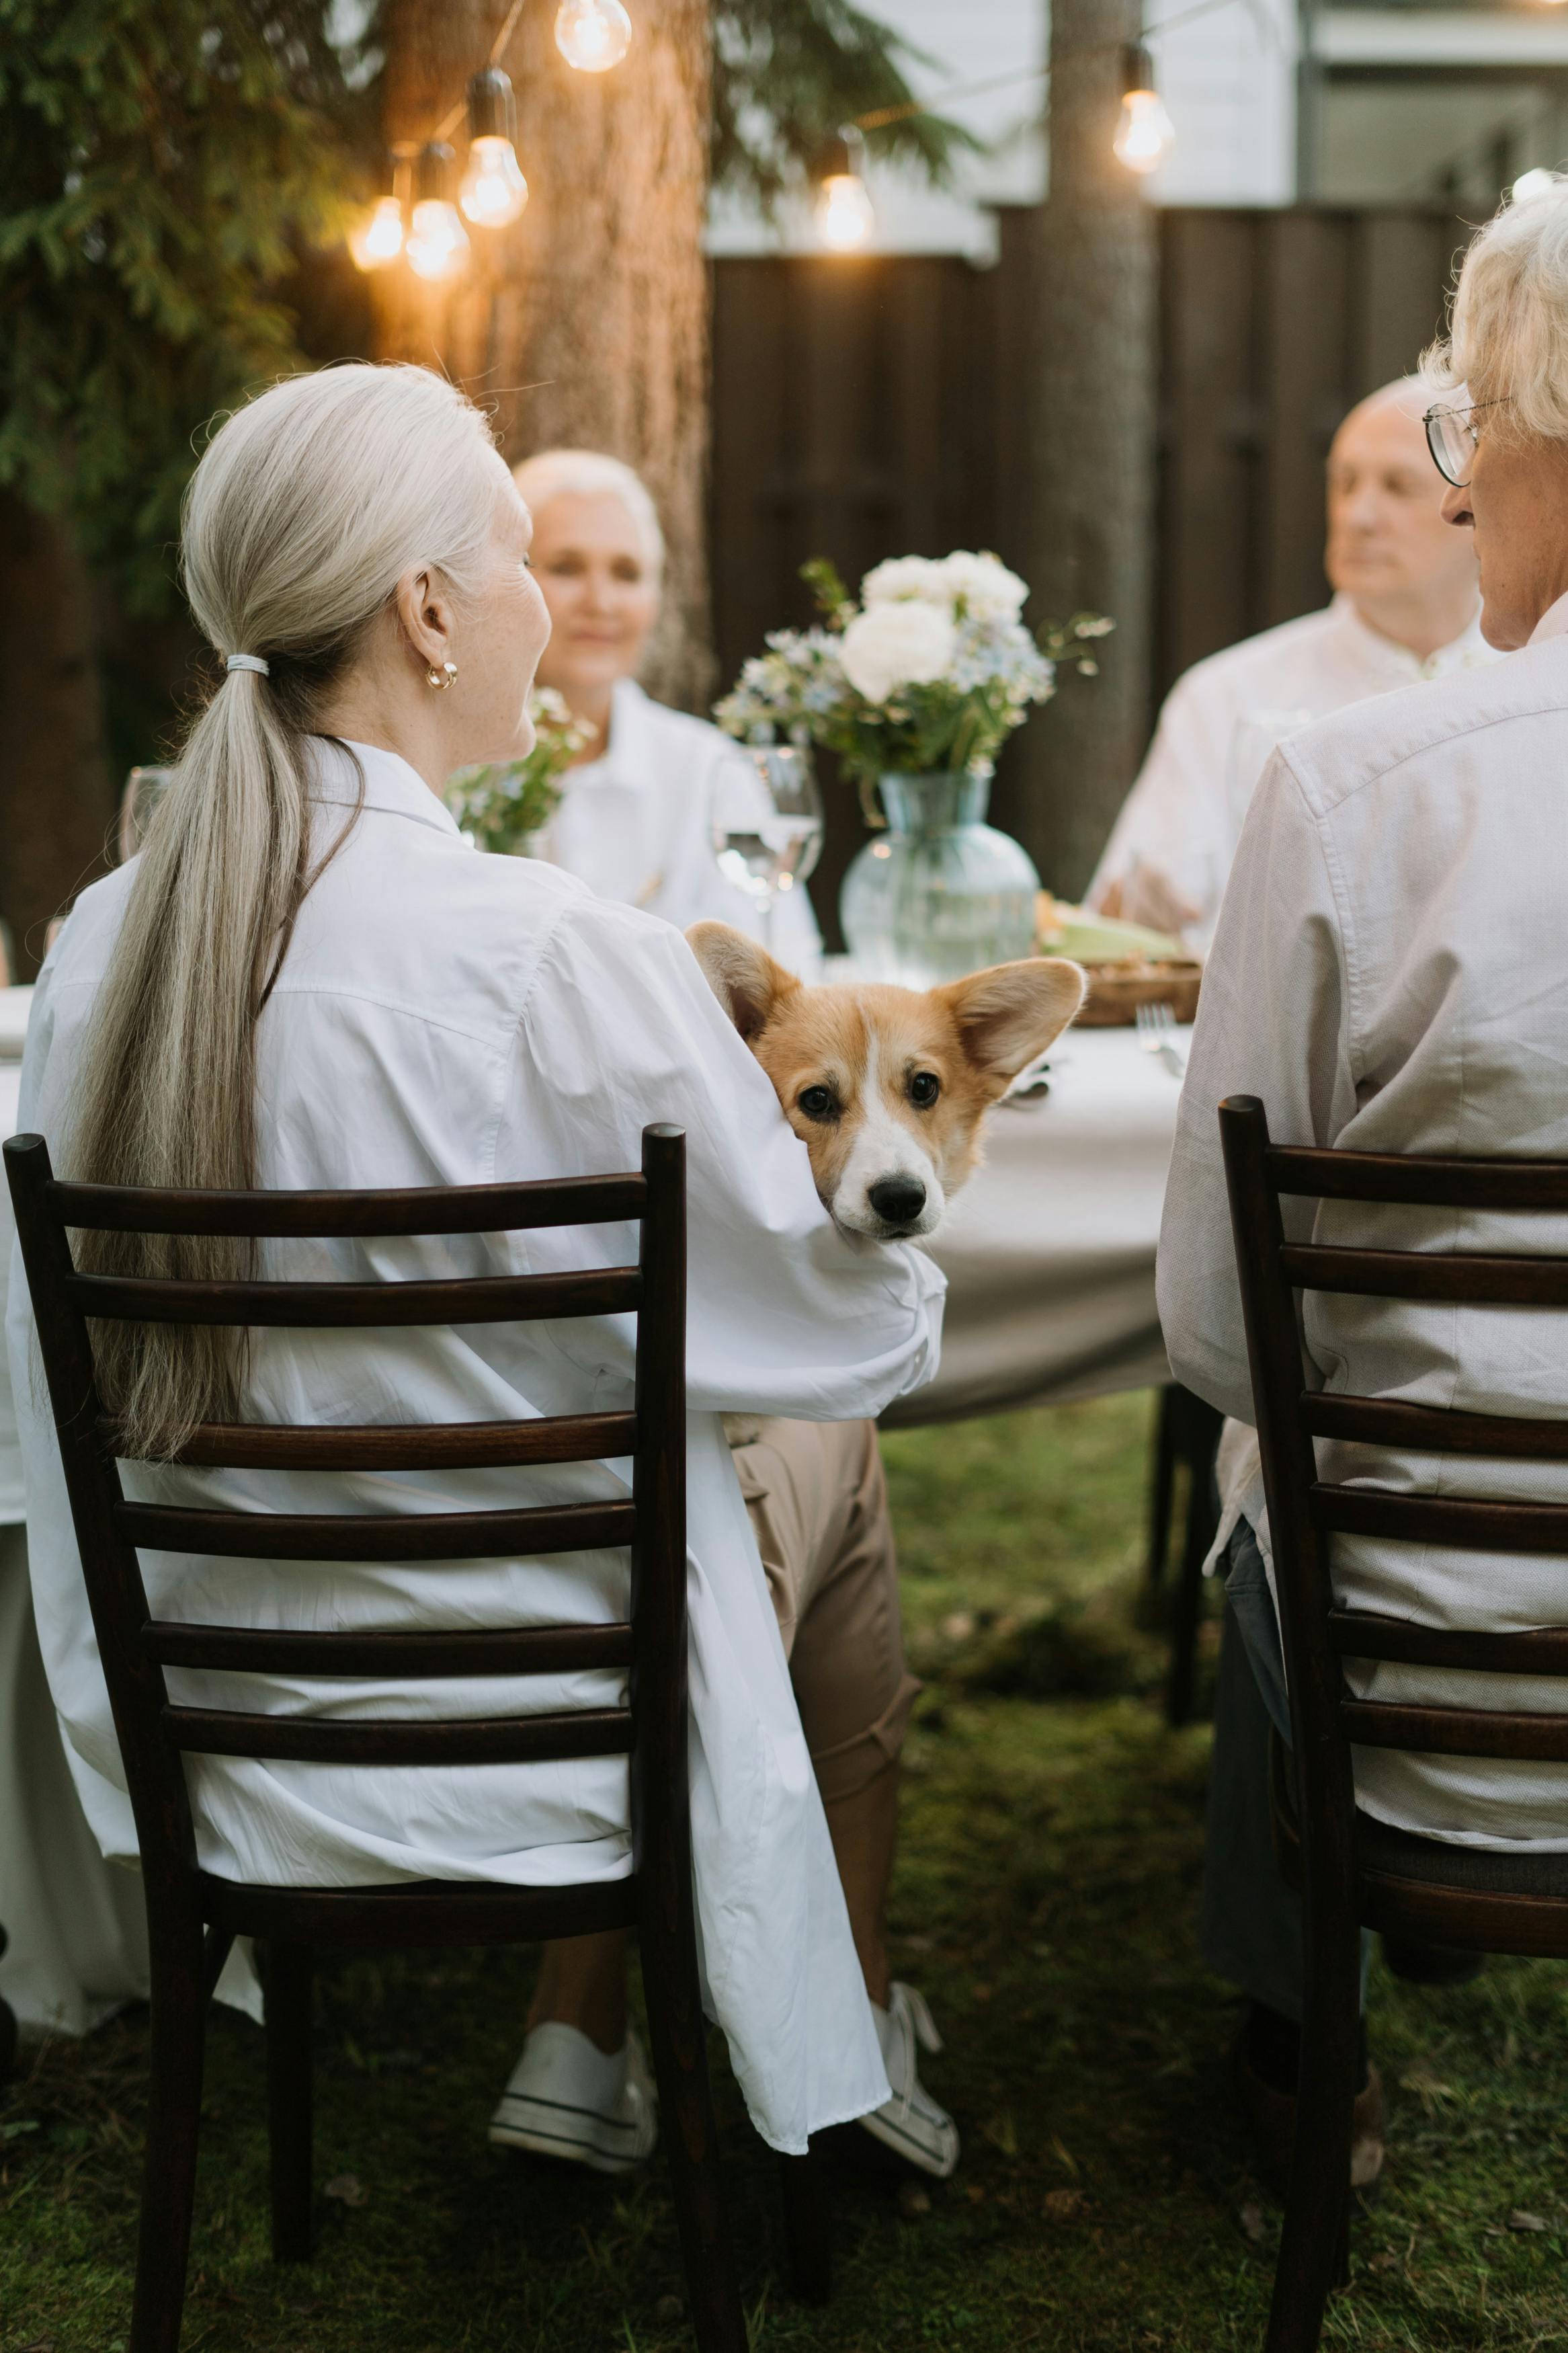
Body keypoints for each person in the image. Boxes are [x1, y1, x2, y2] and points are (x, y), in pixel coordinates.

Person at [7, 363, 954, 2174]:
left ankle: (691, 2027)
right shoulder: (555, 956)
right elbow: (837, 1325)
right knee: (828, 1449)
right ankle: (825, 2005)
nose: (539, 604)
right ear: (427, 610)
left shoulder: (102, 945)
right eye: (517, 556)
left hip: (212, 1748)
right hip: (545, 1751)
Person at [1157, 174, 1568, 2190]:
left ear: (1518, 437)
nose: (1448, 480)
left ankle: (1297, 2034)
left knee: (1265, 1501)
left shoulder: (1349, 789)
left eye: (1452, 432)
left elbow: (1218, 1325)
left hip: (1416, 1687)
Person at [1089, 377, 1493, 951]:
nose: (1358, 515)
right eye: (1345, 483)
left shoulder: (1536, 681)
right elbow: (1137, 911)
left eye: (1398, 486)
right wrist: (1137, 911)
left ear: (1473, 503)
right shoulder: (1225, 696)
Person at [511, 448, 822, 972]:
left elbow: (789, 972)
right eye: (566, 567)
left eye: (627, 573)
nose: (601, 601)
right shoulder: (450, 765)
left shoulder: (710, 770)